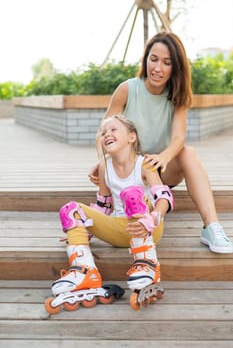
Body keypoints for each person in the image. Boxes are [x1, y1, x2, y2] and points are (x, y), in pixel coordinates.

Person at [89, 31, 233, 254]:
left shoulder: (177, 95)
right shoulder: (127, 89)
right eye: (153, 59)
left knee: (187, 153)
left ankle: (211, 226)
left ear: (175, 67)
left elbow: (178, 138)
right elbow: (104, 130)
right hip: (130, 173)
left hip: (159, 174)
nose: (158, 68)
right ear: (145, 59)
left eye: (167, 62)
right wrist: (104, 162)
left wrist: (163, 158)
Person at [50, 115, 174, 306]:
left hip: (148, 229)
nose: (107, 134)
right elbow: (104, 206)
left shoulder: (146, 164)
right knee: (71, 210)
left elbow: (163, 197)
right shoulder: (103, 167)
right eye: (103, 132)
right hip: (119, 230)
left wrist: (154, 217)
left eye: (113, 130)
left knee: (132, 194)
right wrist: (81, 229)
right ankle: (85, 271)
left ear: (131, 137)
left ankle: (147, 263)